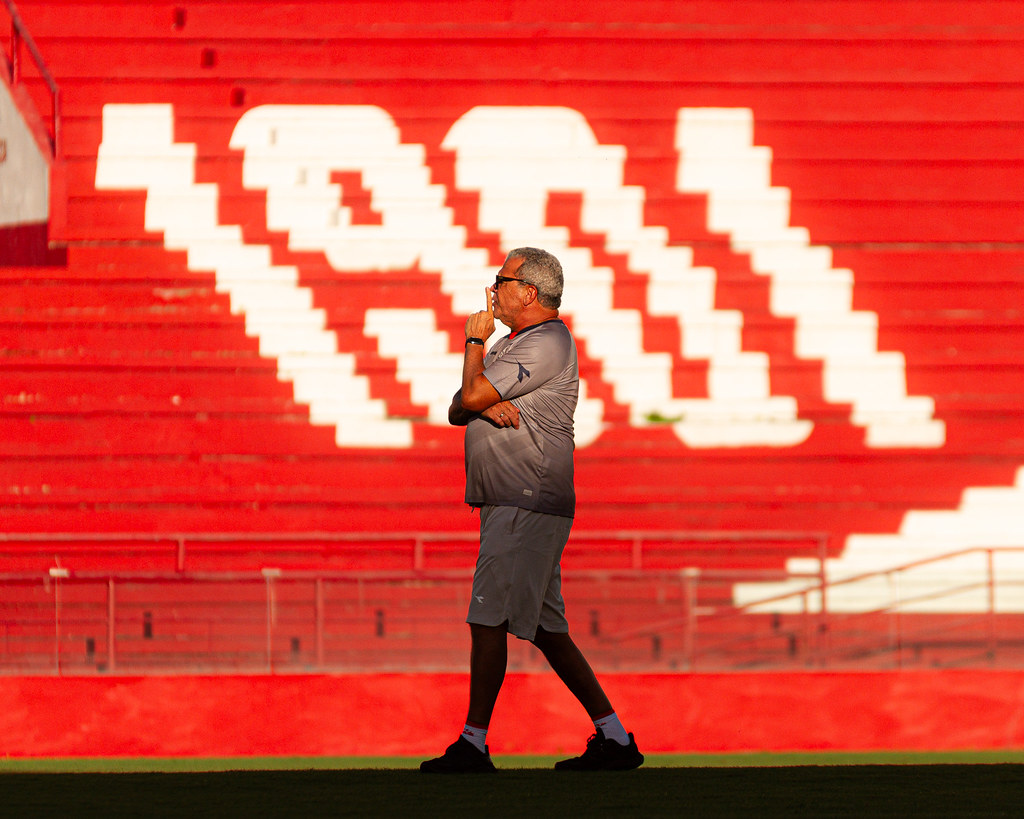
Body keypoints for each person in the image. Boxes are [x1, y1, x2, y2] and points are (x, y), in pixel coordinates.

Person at [420, 247, 643, 773]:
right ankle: (614, 738)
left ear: (530, 291)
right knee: (546, 629)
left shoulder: (546, 340)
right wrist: (478, 396)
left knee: (487, 617)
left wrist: (473, 348)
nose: (491, 290)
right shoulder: (515, 342)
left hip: (523, 498)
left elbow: (470, 394)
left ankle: (473, 743)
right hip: (519, 500)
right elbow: (459, 405)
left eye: (501, 280)